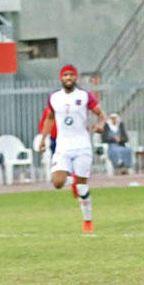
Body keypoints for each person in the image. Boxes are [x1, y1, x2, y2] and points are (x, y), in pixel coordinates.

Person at [38, 64, 106, 233]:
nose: (68, 78)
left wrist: (101, 125)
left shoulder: (84, 96)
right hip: (63, 146)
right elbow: (49, 118)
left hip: (82, 145)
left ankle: (87, 221)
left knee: (83, 187)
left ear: (76, 78)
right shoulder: (54, 97)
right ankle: (72, 181)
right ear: (61, 78)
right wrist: (43, 138)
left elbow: (100, 114)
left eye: (71, 75)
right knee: (57, 182)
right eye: (65, 75)